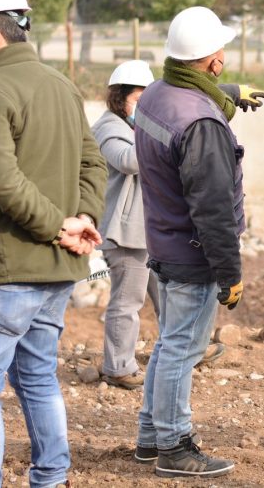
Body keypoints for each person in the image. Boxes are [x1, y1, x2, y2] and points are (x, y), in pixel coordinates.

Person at [0, 0, 107, 488]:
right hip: (53, 272)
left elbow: (0, 179)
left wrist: (62, 225)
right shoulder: (60, 84)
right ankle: (51, 478)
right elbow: (93, 162)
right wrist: (84, 218)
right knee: (37, 379)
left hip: (1, 269)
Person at [133, 6, 263, 479]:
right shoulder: (202, 126)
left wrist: (225, 95)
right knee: (183, 350)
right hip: (192, 254)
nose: (224, 57)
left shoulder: (153, 95)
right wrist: (230, 273)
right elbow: (213, 210)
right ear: (211, 61)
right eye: (220, 52)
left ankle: (150, 438)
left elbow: (183, 102)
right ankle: (173, 445)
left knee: (169, 345)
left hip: (164, 243)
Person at [92, 61, 238, 391]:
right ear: (120, 98)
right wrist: (173, 139)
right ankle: (117, 367)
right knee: (127, 302)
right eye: (138, 99)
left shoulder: (135, 127)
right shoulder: (107, 128)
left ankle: (188, 351)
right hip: (125, 233)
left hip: (149, 229)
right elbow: (130, 160)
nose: (144, 107)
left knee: (168, 300)